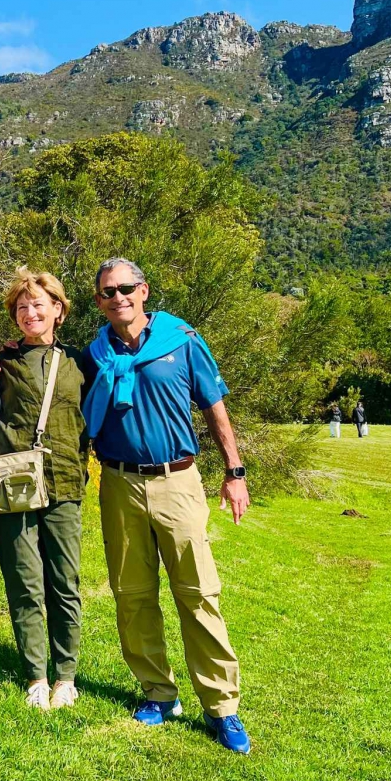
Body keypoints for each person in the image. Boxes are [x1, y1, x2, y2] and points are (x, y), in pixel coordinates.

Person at [82, 257, 253, 754]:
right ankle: (158, 693)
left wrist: (235, 471)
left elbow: (214, 406)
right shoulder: (96, 353)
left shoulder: (182, 341)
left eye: (127, 288)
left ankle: (222, 707)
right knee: (132, 594)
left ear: (144, 290)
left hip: (178, 481)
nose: (119, 298)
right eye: (109, 292)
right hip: (117, 484)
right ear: (99, 301)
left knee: (197, 594)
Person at [0, 268, 90, 710]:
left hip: (66, 480)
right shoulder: (0, 362)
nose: (30, 312)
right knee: (24, 581)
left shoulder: (81, 363)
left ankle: (65, 676)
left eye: (38, 304)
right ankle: (35, 674)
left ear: (59, 311)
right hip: (12, 482)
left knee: (64, 582)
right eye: (22, 306)